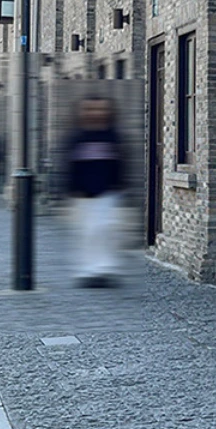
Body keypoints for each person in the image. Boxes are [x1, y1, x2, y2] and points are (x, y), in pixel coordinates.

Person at [62, 95, 128, 287]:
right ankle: (87, 269)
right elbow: (69, 166)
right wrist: (70, 190)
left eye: (100, 109)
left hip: (108, 192)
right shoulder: (77, 137)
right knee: (87, 232)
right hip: (82, 194)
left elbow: (121, 163)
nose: (96, 113)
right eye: (91, 109)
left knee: (105, 229)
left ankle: (105, 268)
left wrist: (121, 185)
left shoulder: (113, 136)